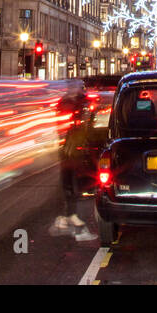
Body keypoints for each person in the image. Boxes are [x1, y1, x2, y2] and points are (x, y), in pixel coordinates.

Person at [51, 81, 97, 241]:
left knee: (71, 184)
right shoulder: (69, 104)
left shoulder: (70, 102)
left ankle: (66, 219)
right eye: (80, 88)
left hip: (71, 149)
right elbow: (67, 128)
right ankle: (73, 224)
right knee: (71, 184)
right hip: (70, 150)